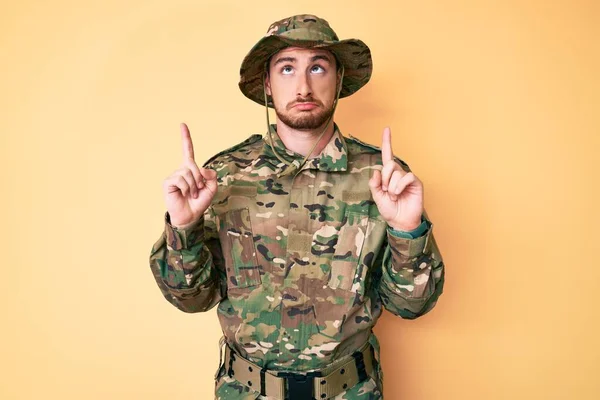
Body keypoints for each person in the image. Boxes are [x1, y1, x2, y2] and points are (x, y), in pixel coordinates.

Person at [149, 14, 445, 400]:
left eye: (317, 67)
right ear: (268, 84)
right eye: (287, 68)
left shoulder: (383, 180)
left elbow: (412, 306)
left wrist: (408, 232)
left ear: (338, 79)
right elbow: (191, 299)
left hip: (351, 392)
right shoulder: (222, 176)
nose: (303, 85)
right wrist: (184, 228)